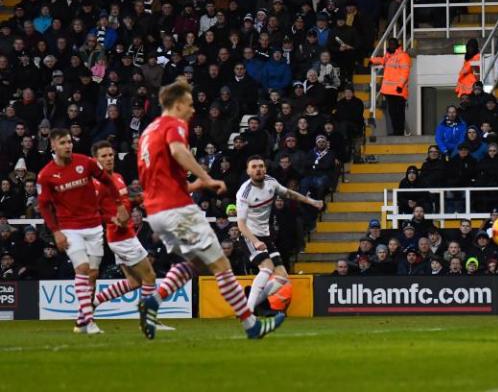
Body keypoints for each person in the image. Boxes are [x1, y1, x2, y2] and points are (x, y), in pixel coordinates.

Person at [136, 78, 285, 340]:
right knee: (221, 265)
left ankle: (153, 301)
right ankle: (252, 325)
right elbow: (179, 151)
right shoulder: (174, 125)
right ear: (178, 103)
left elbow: (160, 176)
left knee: (193, 263)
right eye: (190, 105)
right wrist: (205, 177)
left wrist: (192, 186)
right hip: (177, 209)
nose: (193, 110)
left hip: (157, 212)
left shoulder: (149, 131)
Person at [37, 128, 124, 334]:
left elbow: (107, 180)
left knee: (93, 274)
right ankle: (90, 322)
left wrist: (119, 204)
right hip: (70, 228)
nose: (68, 146)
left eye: (69, 142)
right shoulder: (46, 175)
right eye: (63, 143)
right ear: (53, 146)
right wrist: (56, 231)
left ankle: (81, 319)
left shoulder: (85, 162)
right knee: (83, 269)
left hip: (93, 226)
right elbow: (44, 207)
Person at [87, 141, 173, 332]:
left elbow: (124, 202)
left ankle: (94, 303)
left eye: (111, 155)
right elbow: (93, 210)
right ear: (95, 160)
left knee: (135, 282)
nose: (109, 159)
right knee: (149, 276)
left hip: (126, 234)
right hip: (120, 237)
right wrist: (111, 219)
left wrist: (138, 200)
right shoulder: (97, 183)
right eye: (104, 156)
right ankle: (148, 320)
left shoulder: (117, 177)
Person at [236, 156, 324, 312]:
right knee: (267, 268)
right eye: (254, 167)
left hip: (265, 235)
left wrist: (311, 202)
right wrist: (255, 241)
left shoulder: (271, 182)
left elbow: (289, 194)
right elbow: (241, 224)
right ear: (248, 171)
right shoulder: (244, 193)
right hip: (249, 236)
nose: (258, 169)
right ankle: (247, 311)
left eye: (261, 166)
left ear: (265, 168)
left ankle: (252, 302)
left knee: (282, 277)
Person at [370, 37, 411, 136]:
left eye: (393, 44)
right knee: (392, 113)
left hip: (399, 90)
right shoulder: (388, 56)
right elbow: (382, 60)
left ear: (397, 45)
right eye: (390, 44)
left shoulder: (403, 56)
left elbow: (405, 72)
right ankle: (396, 131)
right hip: (389, 91)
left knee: (399, 113)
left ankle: (399, 132)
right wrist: (372, 60)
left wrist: (400, 85)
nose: (391, 45)